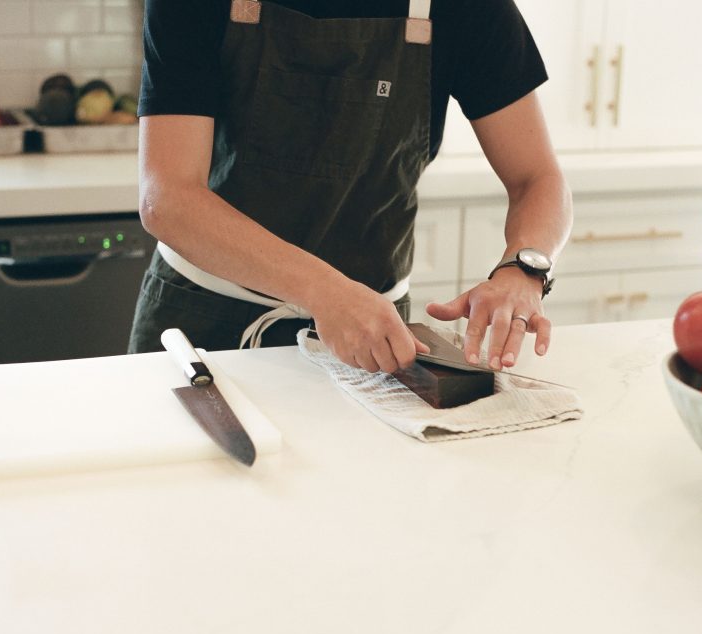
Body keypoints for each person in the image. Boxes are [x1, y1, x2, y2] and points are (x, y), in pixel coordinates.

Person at [128, 0, 573, 375]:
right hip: (202, 328)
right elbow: (168, 199)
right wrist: (324, 291)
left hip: (373, 341)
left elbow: (537, 179)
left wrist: (524, 270)